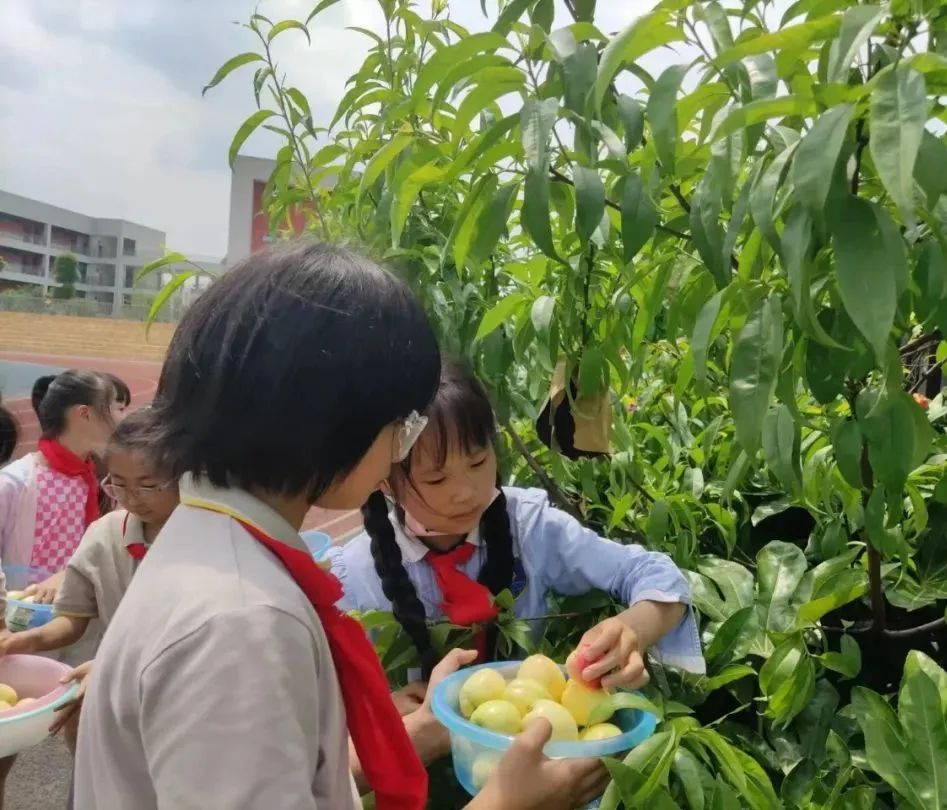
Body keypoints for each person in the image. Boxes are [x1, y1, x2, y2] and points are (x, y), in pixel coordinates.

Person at [73, 241, 604, 810]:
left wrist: (425, 731)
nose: (401, 449)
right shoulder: (242, 623)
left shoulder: (205, 551)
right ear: (332, 423)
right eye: (401, 425)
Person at [328, 360, 705, 687]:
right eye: (436, 479)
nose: (467, 492)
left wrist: (632, 629)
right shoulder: (355, 581)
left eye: (478, 462)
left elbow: (655, 575)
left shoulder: (530, 526)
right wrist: (386, 713)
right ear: (383, 480)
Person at [0, 408, 179, 752]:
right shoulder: (105, 535)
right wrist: (26, 642)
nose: (131, 498)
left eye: (148, 485)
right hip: (107, 689)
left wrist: (114, 667)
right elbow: (72, 619)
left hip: (172, 688)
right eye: (117, 484)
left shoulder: (205, 541)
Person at [1, 370, 117, 602]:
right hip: (21, 617)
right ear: (85, 414)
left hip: (73, 614)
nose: (121, 418)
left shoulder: (98, 479)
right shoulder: (15, 482)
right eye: (116, 407)